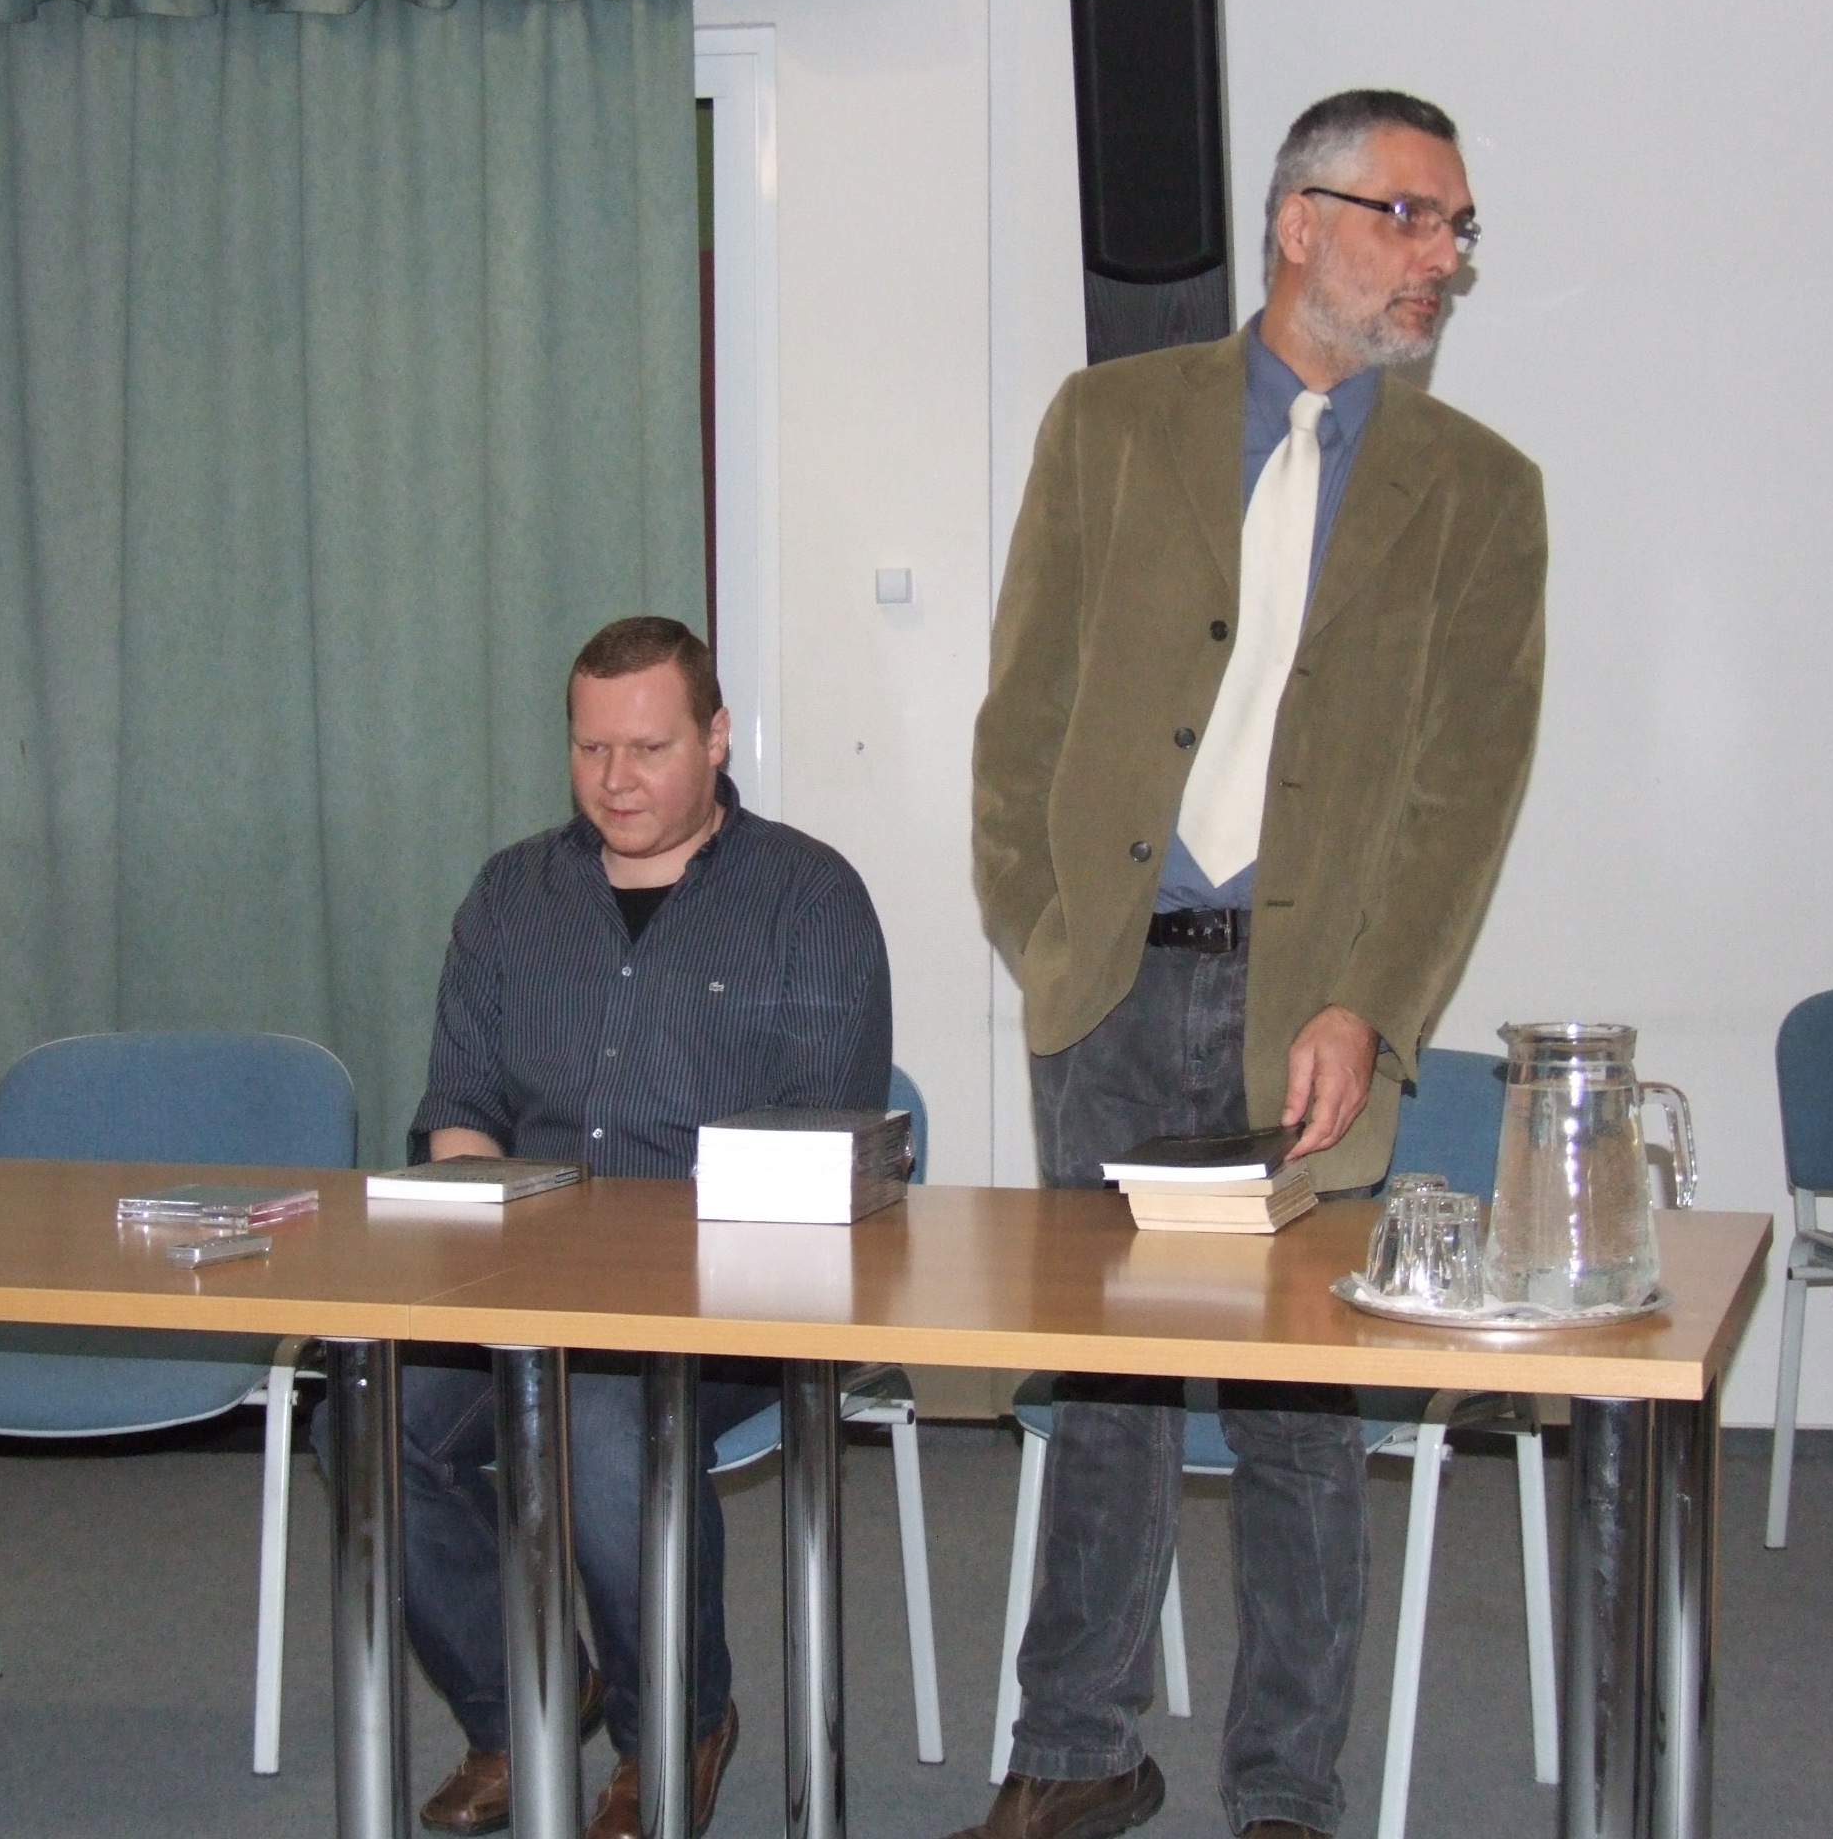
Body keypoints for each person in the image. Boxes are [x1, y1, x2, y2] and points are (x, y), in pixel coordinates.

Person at [958, 90, 1547, 1839]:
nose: (1442, 258)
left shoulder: (1480, 491)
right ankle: (1076, 1748)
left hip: (1316, 1011)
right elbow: (1024, 709)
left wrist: (1376, 1005)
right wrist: (1045, 930)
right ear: (1301, 222)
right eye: (1410, 216)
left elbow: (1463, 793)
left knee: (1300, 1409)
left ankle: (1284, 1789)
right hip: (1112, 982)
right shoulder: (1110, 422)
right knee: (1107, 1385)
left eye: (1456, 228)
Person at [400, 615, 891, 1839]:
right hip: (531, 1281)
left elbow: (820, 1152)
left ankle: (675, 1727)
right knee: (373, 1410)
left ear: (717, 739)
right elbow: (459, 1111)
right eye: (591, 750)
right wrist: (483, 1242)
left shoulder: (808, 898)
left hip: (736, 1299)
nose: (616, 780)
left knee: (608, 1417)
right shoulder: (511, 896)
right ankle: (520, 1704)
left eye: (650, 749)